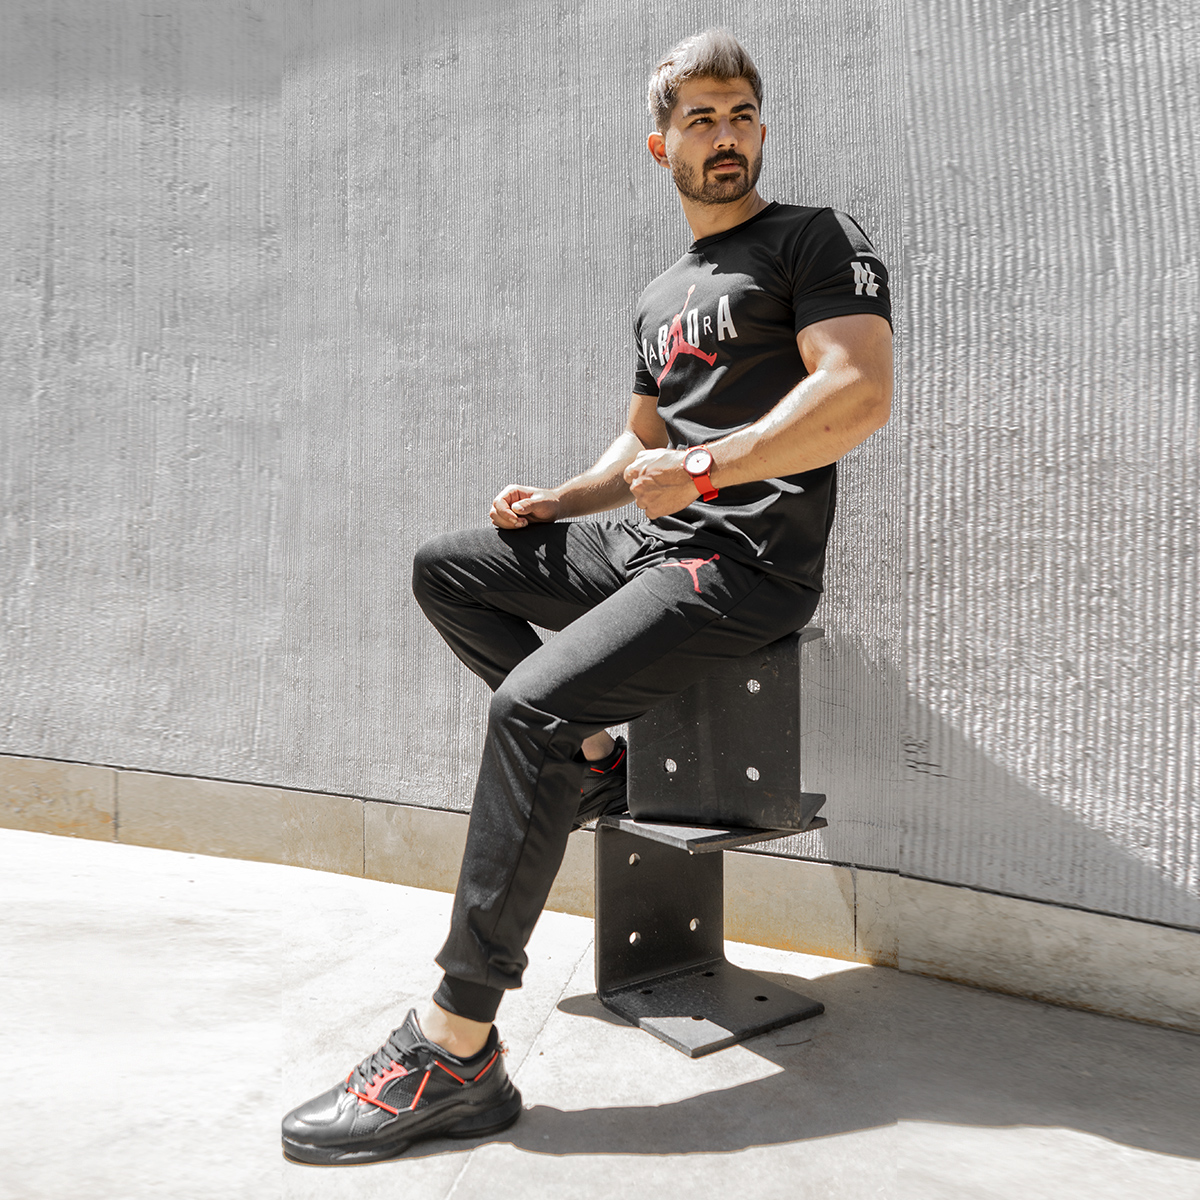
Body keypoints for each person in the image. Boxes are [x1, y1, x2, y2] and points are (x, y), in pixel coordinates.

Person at [282, 27, 893, 1165]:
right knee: (448, 568)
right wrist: (563, 499)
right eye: (701, 119)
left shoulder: (813, 238)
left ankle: (456, 1046)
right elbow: (642, 444)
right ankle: (604, 766)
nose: (725, 135)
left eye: (741, 114)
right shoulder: (664, 293)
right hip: (652, 541)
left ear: (762, 129)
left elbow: (857, 393)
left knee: (529, 710)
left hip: (745, 560)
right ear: (662, 145)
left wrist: (704, 472)